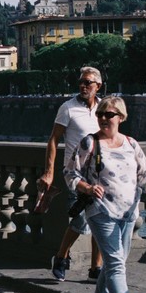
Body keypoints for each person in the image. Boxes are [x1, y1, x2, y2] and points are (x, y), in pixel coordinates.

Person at [64, 95, 146, 293]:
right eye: (100, 114)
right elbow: (69, 173)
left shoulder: (131, 144)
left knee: (116, 261)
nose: (103, 118)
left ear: (121, 117)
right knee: (116, 263)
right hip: (101, 211)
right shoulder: (89, 143)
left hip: (129, 212)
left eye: (108, 114)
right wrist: (87, 188)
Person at [38, 66, 105, 281]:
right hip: (75, 173)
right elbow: (53, 140)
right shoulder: (68, 108)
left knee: (100, 220)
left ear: (98, 86)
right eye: (81, 82)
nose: (83, 86)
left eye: (88, 83)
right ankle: (60, 257)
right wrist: (49, 172)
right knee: (80, 221)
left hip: (99, 172)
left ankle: (96, 268)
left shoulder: (104, 108)